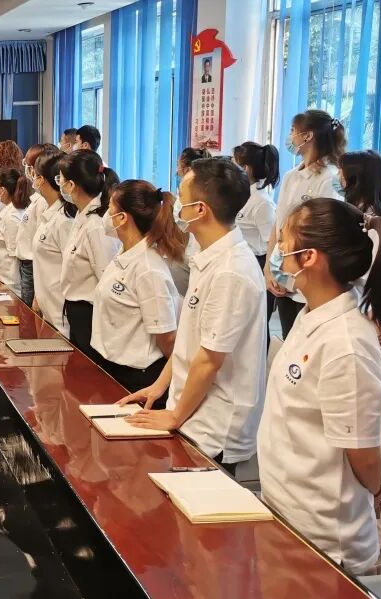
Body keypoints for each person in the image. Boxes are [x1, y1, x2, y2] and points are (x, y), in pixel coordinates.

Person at [258, 198, 381, 575]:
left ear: (309, 258)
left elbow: (362, 452)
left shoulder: (347, 345)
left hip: (323, 538)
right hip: (287, 510)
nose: (278, 249)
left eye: (285, 241)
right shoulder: (312, 315)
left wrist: (375, 489)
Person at [121, 159, 266, 475]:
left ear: (201, 210)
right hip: (190, 408)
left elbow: (210, 359)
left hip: (213, 423)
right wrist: (159, 386)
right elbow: (191, 339)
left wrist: (174, 416)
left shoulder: (231, 271)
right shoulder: (207, 256)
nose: (176, 204)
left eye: (182, 197)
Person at [91, 181, 184, 405]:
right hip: (110, 365)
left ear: (122, 218)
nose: (106, 216)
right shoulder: (125, 254)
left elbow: (168, 338)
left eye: (110, 209)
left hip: (137, 377)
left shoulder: (149, 269)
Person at [266, 110, 346, 338]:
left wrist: (296, 273)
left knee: (308, 343)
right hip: (282, 273)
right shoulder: (291, 176)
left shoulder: (330, 178)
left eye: (293, 131)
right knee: (288, 339)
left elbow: (324, 236)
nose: (290, 136)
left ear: (307, 136)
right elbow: (278, 223)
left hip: (309, 279)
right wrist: (269, 268)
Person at [56, 150, 121, 362]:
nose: (59, 184)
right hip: (76, 312)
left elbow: (106, 277)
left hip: (90, 314)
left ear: (71, 185)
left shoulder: (96, 225)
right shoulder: (82, 215)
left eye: (60, 179)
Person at [230, 142, 280, 319]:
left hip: (259, 264)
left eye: (233, 163)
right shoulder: (243, 195)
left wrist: (270, 273)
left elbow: (273, 243)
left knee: (257, 321)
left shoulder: (262, 202)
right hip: (242, 261)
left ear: (246, 169)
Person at [30, 149, 73, 336]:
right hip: (47, 311)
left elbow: (70, 271)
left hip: (61, 318)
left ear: (42, 180)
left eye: (35, 174)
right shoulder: (48, 214)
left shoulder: (65, 220)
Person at [16, 144, 57, 305]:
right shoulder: (38, 198)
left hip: (34, 266)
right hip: (28, 265)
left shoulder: (44, 201)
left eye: (30, 166)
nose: (28, 170)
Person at [0, 167, 32, 295]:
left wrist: (9, 288)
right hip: (2, 282)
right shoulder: (9, 212)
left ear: (3, 190)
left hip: (10, 287)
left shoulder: (12, 217)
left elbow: (16, 261)